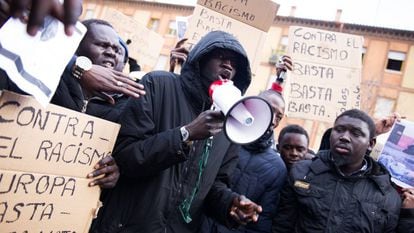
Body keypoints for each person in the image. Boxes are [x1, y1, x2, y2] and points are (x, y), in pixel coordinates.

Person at [90, 30, 262, 233]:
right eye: (221, 57)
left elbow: (214, 186)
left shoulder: (232, 121)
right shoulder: (158, 85)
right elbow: (126, 156)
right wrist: (186, 134)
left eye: (235, 64)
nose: (228, 65)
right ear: (200, 58)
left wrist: (230, 203)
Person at [272, 109, 403, 232]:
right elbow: (282, 226)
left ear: (370, 144)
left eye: (356, 133)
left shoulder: (387, 195)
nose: (344, 137)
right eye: (339, 130)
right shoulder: (302, 172)